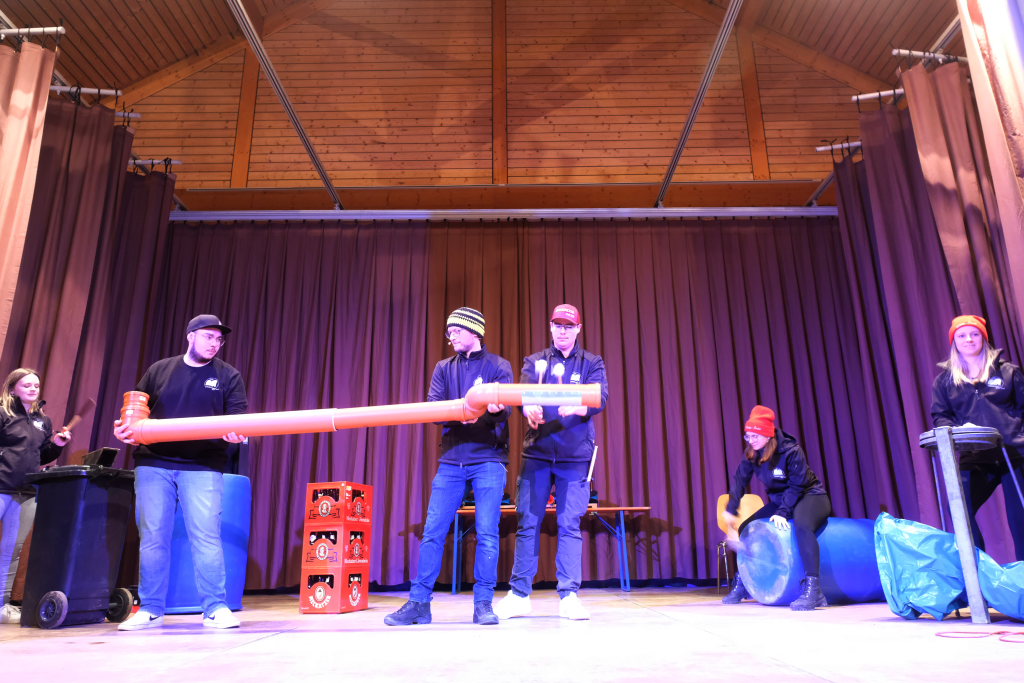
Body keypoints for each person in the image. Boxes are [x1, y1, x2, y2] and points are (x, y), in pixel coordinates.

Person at [113, 315, 247, 631]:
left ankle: (215, 608)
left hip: (203, 466)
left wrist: (237, 433)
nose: (214, 343)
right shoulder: (159, 370)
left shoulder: (228, 376)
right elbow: (136, 413)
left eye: (219, 339)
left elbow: (238, 418)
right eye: (208, 336)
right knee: (153, 537)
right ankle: (150, 609)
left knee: (206, 536)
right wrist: (125, 429)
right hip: (154, 463)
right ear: (190, 336)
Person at [385, 307, 512, 626]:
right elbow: (434, 409)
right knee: (433, 532)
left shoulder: (499, 366)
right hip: (451, 461)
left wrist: (491, 410)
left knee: (487, 533)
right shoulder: (443, 368)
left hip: (489, 459)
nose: (451, 336)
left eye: (456, 330)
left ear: (474, 331)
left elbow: (505, 411)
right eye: (449, 331)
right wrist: (462, 412)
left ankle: (483, 604)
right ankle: (419, 603)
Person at [494, 303, 608, 621]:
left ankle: (569, 595)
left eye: (568, 326)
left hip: (575, 457)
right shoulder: (535, 361)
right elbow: (523, 396)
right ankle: (519, 595)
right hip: (538, 454)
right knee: (528, 521)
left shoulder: (592, 363)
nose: (562, 331)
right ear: (550, 327)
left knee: (569, 524)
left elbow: (600, 397)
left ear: (578, 329)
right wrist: (528, 408)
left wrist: (581, 407)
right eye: (558, 325)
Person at [930, 314, 1024, 561]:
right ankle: (979, 572)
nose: (969, 339)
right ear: (954, 341)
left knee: (1020, 518)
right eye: (961, 335)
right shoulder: (945, 381)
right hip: (975, 455)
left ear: (983, 337)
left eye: (974, 334)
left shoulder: (1008, 372)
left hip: (1014, 454)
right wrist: (956, 432)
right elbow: (941, 416)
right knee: (959, 509)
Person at [721, 405, 831, 611]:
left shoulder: (791, 451)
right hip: (781, 500)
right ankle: (745, 582)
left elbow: (797, 485)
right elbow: (739, 482)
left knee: (802, 526)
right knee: (746, 527)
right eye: (748, 436)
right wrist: (731, 511)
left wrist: (782, 513)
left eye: (755, 436)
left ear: (767, 434)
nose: (751, 440)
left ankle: (814, 590)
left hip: (810, 496)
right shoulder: (752, 454)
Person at [0, 369, 70, 624]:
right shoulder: (3, 413)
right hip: (1, 486)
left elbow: (42, 456)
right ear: (12, 388)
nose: (32, 389)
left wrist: (57, 445)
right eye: (26, 385)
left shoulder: (44, 421)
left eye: (36, 385)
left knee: (12, 550)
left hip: (26, 491)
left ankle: (1, 605)